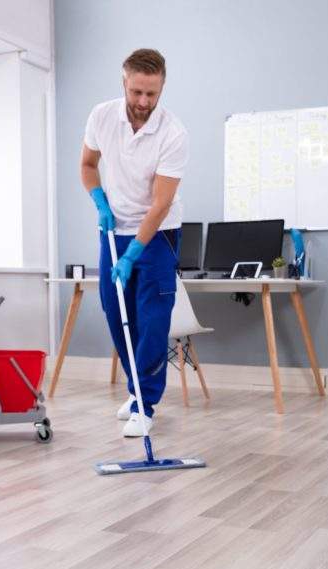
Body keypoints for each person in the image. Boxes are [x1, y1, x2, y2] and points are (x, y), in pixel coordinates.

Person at [80, 48, 189, 437]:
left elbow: (160, 204)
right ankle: (136, 388)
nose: (144, 102)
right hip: (112, 231)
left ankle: (146, 402)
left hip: (157, 235)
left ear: (162, 88)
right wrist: (99, 200)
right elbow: (88, 165)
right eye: (137, 92)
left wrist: (134, 254)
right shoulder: (101, 116)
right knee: (117, 314)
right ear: (124, 81)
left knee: (152, 321)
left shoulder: (173, 133)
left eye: (152, 95)